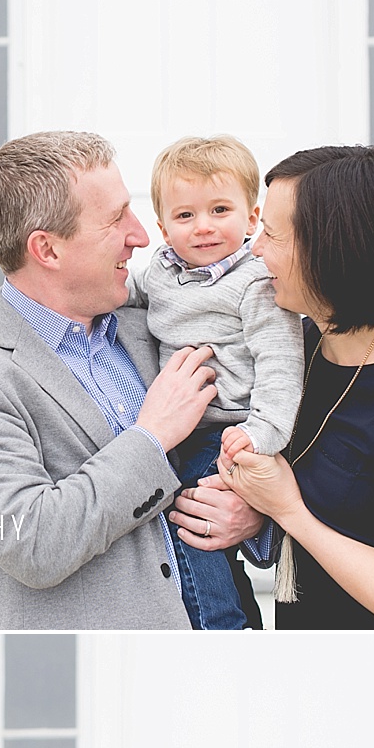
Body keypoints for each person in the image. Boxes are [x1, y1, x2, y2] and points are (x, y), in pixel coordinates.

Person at [172, 143, 374, 627]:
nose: (255, 249)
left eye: (273, 234)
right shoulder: (297, 350)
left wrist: (289, 512)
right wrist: (257, 516)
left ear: (334, 249)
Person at [0, 133, 220, 628]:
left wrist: (250, 519)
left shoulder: (154, 325)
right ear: (47, 250)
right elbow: (32, 543)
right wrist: (152, 437)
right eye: (116, 218)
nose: (142, 235)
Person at [130, 136, 304, 627]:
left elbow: (280, 364)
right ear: (164, 228)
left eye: (219, 209)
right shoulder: (162, 273)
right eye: (185, 217)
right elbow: (128, 290)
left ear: (252, 219)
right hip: (181, 426)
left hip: (231, 428)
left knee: (190, 518)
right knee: (190, 529)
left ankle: (218, 625)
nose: (203, 227)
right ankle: (241, 619)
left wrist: (260, 435)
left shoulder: (256, 284)